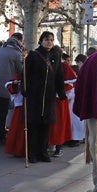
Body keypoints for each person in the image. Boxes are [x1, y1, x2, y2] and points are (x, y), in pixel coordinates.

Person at [24, 31, 67, 163]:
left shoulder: (56, 56)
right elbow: (25, 74)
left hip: (49, 96)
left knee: (46, 126)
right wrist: (25, 89)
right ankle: (32, 153)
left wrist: (61, 93)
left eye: (51, 40)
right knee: (34, 126)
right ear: (41, 40)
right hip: (35, 96)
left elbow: (59, 76)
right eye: (47, 39)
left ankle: (43, 152)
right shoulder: (33, 55)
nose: (49, 42)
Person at [48, 50, 73, 157]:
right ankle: (53, 147)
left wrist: (59, 90)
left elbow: (71, 82)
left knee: (58, 125)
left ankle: (58, 147)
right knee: (53, 125)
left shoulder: (64, 66)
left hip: (58, 100)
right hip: (51, 99)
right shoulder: (49, 64)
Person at [4, 74, 26, 157]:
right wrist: (15, 84)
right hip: (21, 106)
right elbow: (10, 86)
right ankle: (18, 149)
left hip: (33, 105)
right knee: (18, 128)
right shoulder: (20, 74)